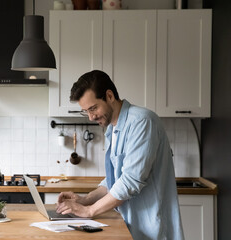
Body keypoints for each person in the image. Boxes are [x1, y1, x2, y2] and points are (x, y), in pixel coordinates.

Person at [56, 70, 184, 240]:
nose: (91, 117)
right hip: (129, 224)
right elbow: (114, 181)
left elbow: (130, 181)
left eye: (93, 108)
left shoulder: (141, 121)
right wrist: (85, 200)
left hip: (151, 227)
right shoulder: (112, 129)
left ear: (109, 96)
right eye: (85, 111)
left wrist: (89, 210)